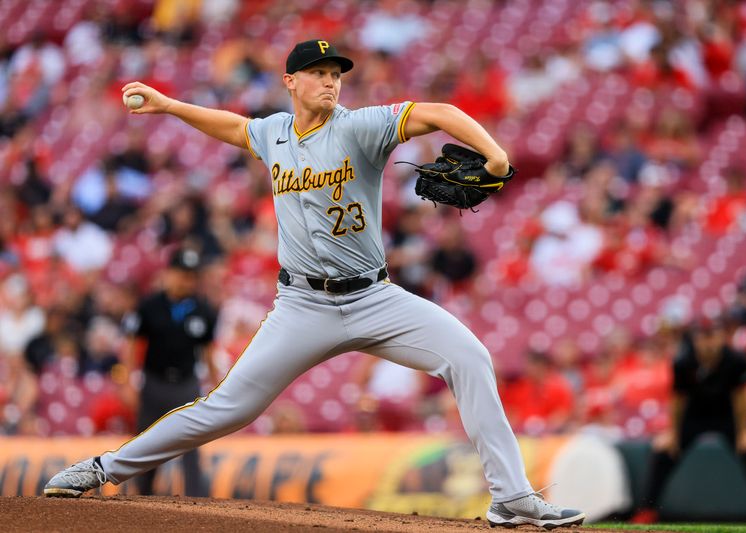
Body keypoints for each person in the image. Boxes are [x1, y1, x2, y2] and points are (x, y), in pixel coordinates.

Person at [43, 40, 584, 529]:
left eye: (336, 73)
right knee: (228, 407)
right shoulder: (274, 131)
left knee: (470, 357)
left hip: (375, 297)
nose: (330, 81)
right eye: (318, 72)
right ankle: (103, 467)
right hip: (301, 304)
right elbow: (233, 127)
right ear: (291, 82)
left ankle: (510, 499)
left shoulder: (358, 126)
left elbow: (438, 113)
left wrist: (496, 154)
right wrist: (168, 105)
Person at [631, 318, 746, 526]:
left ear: (721, 337)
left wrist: (744, 432)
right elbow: (678, 400)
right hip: (694, 416)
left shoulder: (735, 360)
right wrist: (673, 434)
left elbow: (740, 397)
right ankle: (646, 512)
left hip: (726, 415)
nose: (707, 342)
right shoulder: (683, 362)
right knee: (663, 452)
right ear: (695, 340)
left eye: (711, 336)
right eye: (702, 337)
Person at [118, 247, 219, 496]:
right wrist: (128, 381)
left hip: (186, 384)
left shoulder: (203, 310)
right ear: (169, 273)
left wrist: (218, 387)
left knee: (191, 448)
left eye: (192, 276)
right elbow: (132, 344)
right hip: (154, 384)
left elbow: (208, 352)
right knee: (145, 445)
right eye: (183, 274)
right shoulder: (150, 305)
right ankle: (140, 500)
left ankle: (197, 505)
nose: (188, 281)